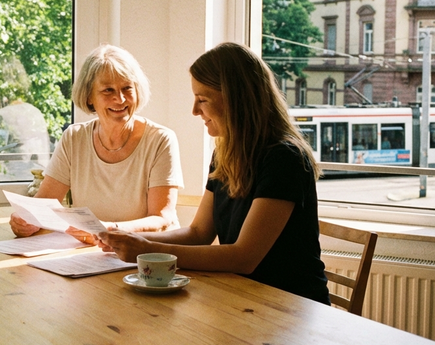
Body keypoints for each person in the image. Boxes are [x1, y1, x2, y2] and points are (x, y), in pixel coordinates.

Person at [97, 42, 330, 305]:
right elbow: (199, 233)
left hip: (291, 305)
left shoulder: (285, 158)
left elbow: (244, 258)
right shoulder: (225, 153)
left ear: (235, 99)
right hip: (244, 297)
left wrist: (148, 249)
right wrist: (132, 239)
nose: (195, 110)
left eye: (202, 99)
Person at [9, 44, 183, 243]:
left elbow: (163, 219)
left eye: (127, 88)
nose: (120, 98)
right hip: (93, 255)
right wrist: (26, 220)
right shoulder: (74, 138)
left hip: (147, 257)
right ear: (89, 96)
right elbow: (45, 203)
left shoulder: (161, 140)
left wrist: (110, 230)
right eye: (108, 90)